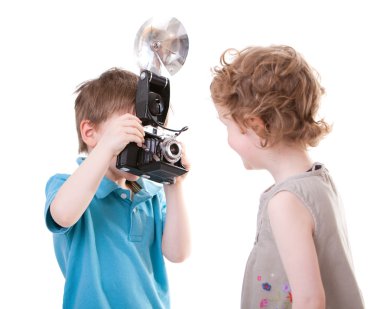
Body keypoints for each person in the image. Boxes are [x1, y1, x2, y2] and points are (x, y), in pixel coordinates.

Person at [210, 45, 364, 309]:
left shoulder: (285, 202)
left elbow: (310, 300)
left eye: (229, 127)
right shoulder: (319, 181)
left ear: (256, 127)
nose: (228, 139)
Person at [44, 68, 191, 308]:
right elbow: (62, 214)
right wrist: (107, 148)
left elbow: (178, 253)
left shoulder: (150, 195)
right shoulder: (66, 186)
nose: (142, 142)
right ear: (90, 133)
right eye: (130, 131)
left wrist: (173, 183)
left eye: (148, 133)